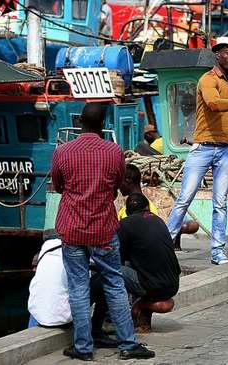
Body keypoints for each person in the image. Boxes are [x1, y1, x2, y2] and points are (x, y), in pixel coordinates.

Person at [51, 103, 154, 361]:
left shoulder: (63, 151)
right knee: (114, 284)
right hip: (103, 228)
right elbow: (119, 183)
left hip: (72, 227)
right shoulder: (114, 152)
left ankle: (83, 348)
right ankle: (128, 345)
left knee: (78, 287)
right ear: (103, 124)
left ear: (80, 122)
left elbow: (59, 185)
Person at [166, 37, 228, 265]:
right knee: (184, 198)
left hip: (226, 148)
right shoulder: (207, 80)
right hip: (203, 148)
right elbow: (213, 104)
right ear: (217, 54)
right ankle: (166, 244)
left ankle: (217, 250)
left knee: (221, 202)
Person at [92, 193, 181, 334]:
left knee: (106, 272)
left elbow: (115, 259)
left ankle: (104, 320)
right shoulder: (158, 221)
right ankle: (141, 321)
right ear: (147, 208)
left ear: (126, 212)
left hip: (152, 285)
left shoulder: (125, 224)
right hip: (173, 284)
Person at [27, 230, 71, 328]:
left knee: (41, 290)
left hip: (37, 315)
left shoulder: (44, 251)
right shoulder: (73, 252)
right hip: (63, 318)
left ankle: (32, 329)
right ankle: (95, 331)